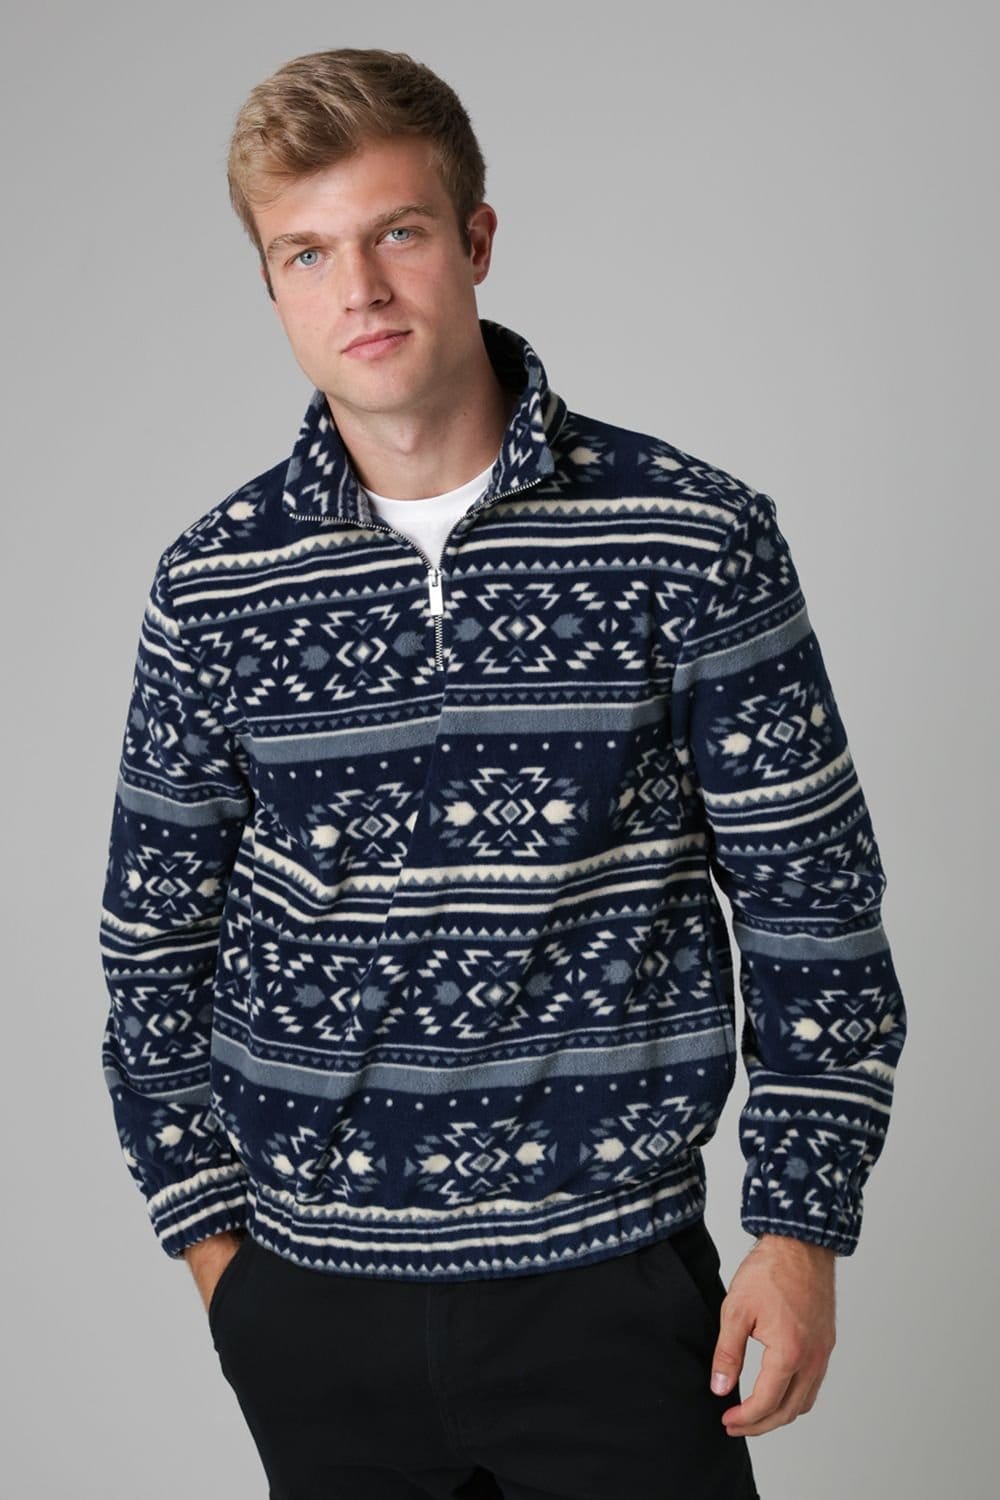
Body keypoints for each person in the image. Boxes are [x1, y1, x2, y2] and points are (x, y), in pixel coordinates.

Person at [97, 45, 907, 1500]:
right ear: (271, 284)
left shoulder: (689, 536)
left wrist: (801, 1234)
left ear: (475, 240)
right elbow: (153, 938)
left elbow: (815, 904)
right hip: (313, 1304)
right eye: (306, 252)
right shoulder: (216, 583)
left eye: (396, 232)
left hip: (614, 1291)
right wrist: (223, 1263)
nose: (359, 288)